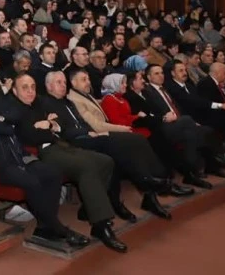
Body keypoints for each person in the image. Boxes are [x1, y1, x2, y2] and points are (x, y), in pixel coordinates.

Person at [0, 67, 89, 247]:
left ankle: (45, 227)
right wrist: (6, 124)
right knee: (32, 181)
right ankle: (58, 228)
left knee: (52, 173)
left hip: (16, 153)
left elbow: (17, 114)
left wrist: (3, 120)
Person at [5, 75, 128, 252]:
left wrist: (48, 124)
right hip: (44, 152)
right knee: (87, 167)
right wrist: (49, 125)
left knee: (105, 161)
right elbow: (29, 136)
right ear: (14, 91)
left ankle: (90, 207)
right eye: (25, 88)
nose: (30, 91)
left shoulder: (39, 102)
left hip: (61, 145)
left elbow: (62, 121)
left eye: (33, 86)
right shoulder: (14, 109)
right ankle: (101, 225)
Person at [42, 71, 178, 220]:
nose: (63, 85)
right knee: (124, 146)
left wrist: (91, 131)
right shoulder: (49, 103)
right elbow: (66, 130)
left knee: (134, 142)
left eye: (63, 82)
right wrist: (91, 132)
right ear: (49, 86)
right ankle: (146, 184)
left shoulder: (68, 101)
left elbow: (81, 122)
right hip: (77, 141)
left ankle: (149, 186)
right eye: (58, 82)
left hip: (91, 135)